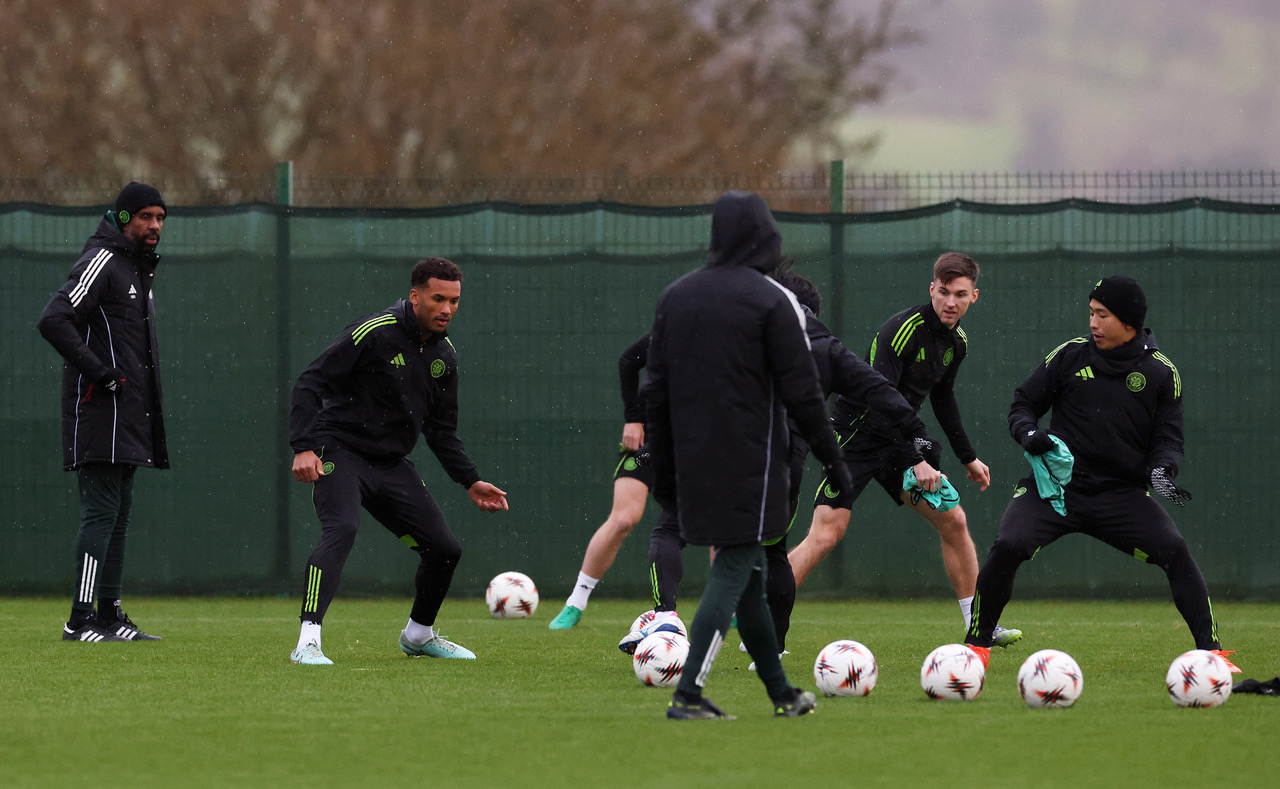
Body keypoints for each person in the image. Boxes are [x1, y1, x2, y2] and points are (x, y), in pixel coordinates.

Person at [645, 191, 852, 720]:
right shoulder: (772, 300)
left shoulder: (675, 296)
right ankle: (687, 695)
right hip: (751, 462)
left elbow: (656, 390)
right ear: (766, 237)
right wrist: (833, 460)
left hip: (691, 459)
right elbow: (804, 394)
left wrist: (663, 467)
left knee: (753, 579)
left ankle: (781, 692)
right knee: (736, 567)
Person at [964, 275, 1239, 671]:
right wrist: (1029, 435)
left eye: (1102, 315)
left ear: (1129, 322)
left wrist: (1163, 472)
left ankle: (1212, 654)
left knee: (1175, 552)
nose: (1092, 322)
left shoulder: (1162, 374)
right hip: (1054, 490)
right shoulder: (1070, 356)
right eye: (1091, 313)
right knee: (1008, 544)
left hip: (1121, 495)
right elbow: (1022, 403)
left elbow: (1168, 440)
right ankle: (976, 648)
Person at [786, 252, 1022, 647]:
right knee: (827, 534)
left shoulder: (956, 343)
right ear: (932, 288)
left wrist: (968, 457)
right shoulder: (902, 330)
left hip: (899, 442)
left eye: (960, 295)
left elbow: (943, 399)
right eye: (943, 292)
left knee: (955, 521)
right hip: (856, 436)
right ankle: (763, 617)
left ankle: (979, 624)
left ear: (974, 297)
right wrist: (918, 460)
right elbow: (881, 399)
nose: (950, 302)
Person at [287, 257, 508, 665]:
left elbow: (441, 432)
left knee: (445, 550)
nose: (446, 309)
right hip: (341, 451)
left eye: (454, 301)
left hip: (390, 465)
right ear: (415, 295)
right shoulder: (375, 332)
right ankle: (307, 643)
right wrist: (303, 446)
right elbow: (310, 381)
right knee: (343, 529)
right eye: (438, 298)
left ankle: (418, 635)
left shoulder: (445, 357)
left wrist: (470, 480)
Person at [755, 262, 937, 662]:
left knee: (720, 546)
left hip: (730, 454)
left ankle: (681, 632)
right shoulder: (827, 349)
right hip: (784, 462)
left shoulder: (747, 330)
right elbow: (880, 389)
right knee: (771, 552)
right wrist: (916, 433)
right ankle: (769, 649)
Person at [37, 182, 170, 643]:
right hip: (100, 413)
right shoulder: (104, 261)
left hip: (128, 414)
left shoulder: (134, 270)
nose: (154, 226)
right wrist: (101, 373)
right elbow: (54, 318)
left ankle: (110, 615)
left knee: (119, 514)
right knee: (100, 514)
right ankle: (79, 620)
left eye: (160, 218)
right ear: (122, 218)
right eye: (145, 217)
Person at [547, 334, 683, 631]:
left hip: (698, 445)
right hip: (650, 438)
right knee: (623, 519)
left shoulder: (733, 340)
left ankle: (735, 604)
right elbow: (628, 361)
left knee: (719, 526)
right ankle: (576, 602)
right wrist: (633, 418)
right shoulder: (675, 328)